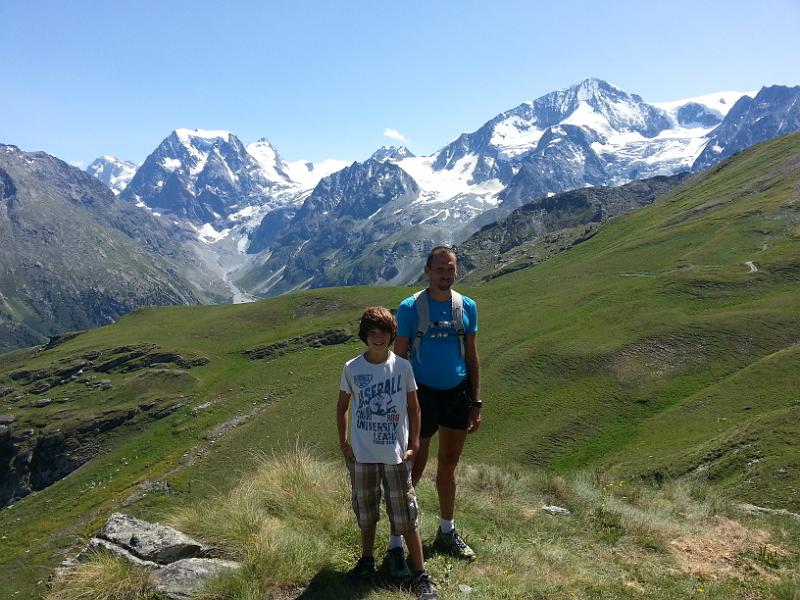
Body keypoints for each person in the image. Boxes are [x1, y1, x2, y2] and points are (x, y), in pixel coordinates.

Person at [336, 306, 438, 600]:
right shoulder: (352, 368)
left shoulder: (402, 367)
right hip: (362, 456)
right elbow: (342, 407)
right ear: (364, 335)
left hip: (395, 455)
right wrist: (344, 443)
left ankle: (420, 574)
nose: (377, 338)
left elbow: (415, 408)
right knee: (366, 512)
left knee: (405, 514)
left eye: (383, 332)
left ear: (392, 335)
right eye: (372, 332)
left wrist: (414, 444)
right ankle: (367, 561)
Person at [394, 246, 481, 561]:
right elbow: (398, 358)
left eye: (451, 268)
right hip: (421, 396)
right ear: (428, 270)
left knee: (449, 467)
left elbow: (471, 357)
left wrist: (476, 401)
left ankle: (447, 531)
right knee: (413, 467)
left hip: (456, 394)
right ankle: (399, 538)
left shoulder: (467, 306)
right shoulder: (409, 308)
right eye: (440, 268)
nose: (446, 274)